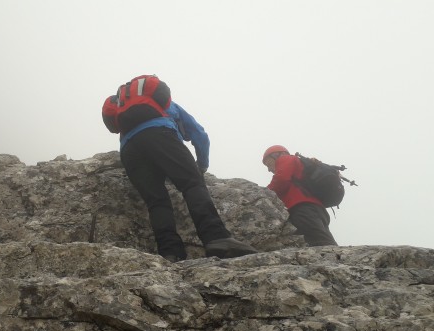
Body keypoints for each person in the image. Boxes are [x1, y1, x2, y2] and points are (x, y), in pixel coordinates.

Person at [103, 78, 258, 262]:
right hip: (160, 135)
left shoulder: (122, 109)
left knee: (157, 202)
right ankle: (216, 237)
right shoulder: (170, 106)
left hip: (129, 150)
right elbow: (199, 134)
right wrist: (201, 165)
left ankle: (170, 252)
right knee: (192, 184)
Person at [262, 145, 338, 247]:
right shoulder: (298, 163)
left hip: (301, 208)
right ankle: (339, 259)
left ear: (275, 155)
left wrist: (264, 193)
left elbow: (281, 179)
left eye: (268, 164)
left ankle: (335, 260)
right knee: (321, 238)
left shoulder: (285, 159)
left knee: (320, 243)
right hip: (316, 208)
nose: (268, 169)